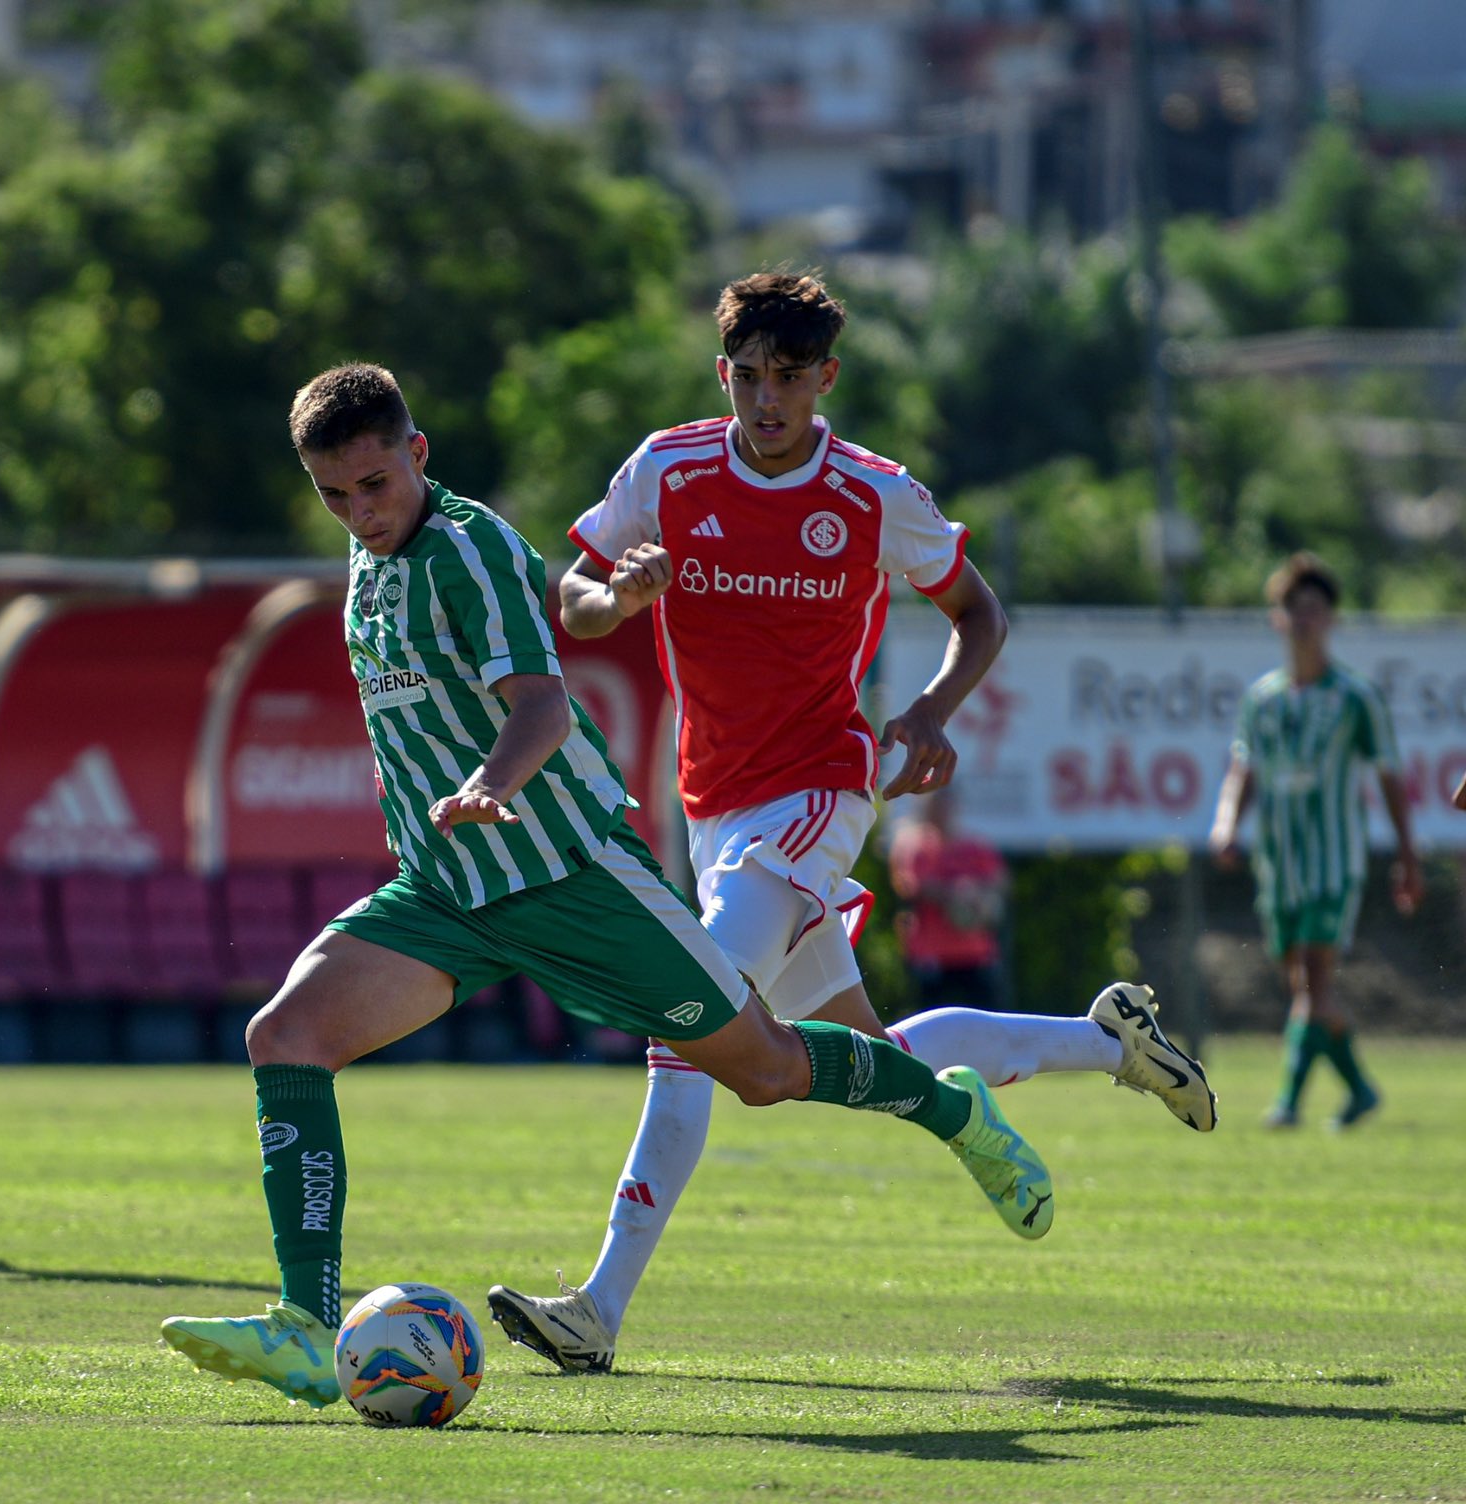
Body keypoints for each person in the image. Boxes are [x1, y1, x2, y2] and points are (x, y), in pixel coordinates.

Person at [158, 363, 1056, 1411]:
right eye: (334, 494)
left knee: (759, 1067)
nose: (361, 510)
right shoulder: (370, 565)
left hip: (568, 873)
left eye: (375, 482)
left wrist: (491, 785)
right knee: (286, 1035)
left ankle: (952, 1113)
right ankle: (307, 1327)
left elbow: (540, 707)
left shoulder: (469, 548)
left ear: (417, 453)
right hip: (448, 888)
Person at [487, 270, 1215, 1375]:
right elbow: (571, 598)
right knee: (863, 1056)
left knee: (687, 1026)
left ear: (824, 378)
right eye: (745, 376)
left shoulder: (873, 494)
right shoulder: (668, 468)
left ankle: (597, 1308)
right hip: (713, 809)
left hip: (821, 789)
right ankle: (1104, 1041)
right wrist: (614, 598)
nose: (763, 398)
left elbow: (977, 611)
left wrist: (922, 713)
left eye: (786, 377)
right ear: (720, 374)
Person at [1209, 551, 1421, 1130]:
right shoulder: (1263, 699)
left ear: (1331, 619)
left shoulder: (1355, 696)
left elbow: (1389, 775)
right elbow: (1242, 769)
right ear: (1278, 618)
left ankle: (1288, 1104)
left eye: (1315, 609)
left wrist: (1407, 857)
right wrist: (1226, 824)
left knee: (1314, 984)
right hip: (1279, 862)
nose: (1304, 619)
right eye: (1293, 608)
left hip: (1333, 861)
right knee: (1300, 987)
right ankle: (1359, 1090)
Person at [888, 790, 1010, 1013]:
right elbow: (910, 887)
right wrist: (954, 893)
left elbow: (998, 883)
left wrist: (977, 898)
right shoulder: (915, 846)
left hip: (975, 953)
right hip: (932, 954)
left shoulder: (975, 846)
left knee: (986, 1023)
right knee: (930, 1025)